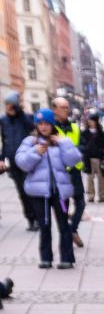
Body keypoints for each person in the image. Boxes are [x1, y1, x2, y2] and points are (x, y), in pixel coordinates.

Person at [16, 108, 82, 269]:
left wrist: (64, 143)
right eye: (40, 124)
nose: (43, 127)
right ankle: (46, 258)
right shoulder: (30, 142)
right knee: (44, 225)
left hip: (60, 192)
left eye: (46, 123)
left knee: (63, 225)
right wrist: (35, 152)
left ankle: (67, 258)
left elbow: (74, 160)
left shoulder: (61, 140)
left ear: (52, 124)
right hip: (39, 192)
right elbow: (22, 163)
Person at [50, 97, 85, 247]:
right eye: (63, 107)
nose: (67, 110)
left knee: (81, 204)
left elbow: (83, 146)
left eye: (67, 107)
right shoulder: (50, 129)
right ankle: (66, 235)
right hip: (60, 173)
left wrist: (74, 151)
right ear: (55, 110)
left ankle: (72, 229)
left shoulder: (75, 127)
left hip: (75, 171)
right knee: (63, 207)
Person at [0, 93, 38, 231]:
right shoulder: (3, 120)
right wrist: (1, 159)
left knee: (30, 190)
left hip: (26, 160)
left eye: (10, 104)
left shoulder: (25, 117)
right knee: (22, 192)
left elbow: (32, 127)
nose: (7, 107)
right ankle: (31, 220)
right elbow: (4, 141)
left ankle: (37, 217)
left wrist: (20, 112)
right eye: (6, 104)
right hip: (13, 162)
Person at [80, 111, 104, 203]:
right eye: (89, 120)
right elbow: (82, 144)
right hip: (88, 157)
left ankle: (101, 196)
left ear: (96, 121)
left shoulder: (101, 133)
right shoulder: (84, 133)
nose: (90, 122)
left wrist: (103, 154)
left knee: (101, 178)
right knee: (90, 178)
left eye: (92, 120)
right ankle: (91, 196)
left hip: (99, 158)